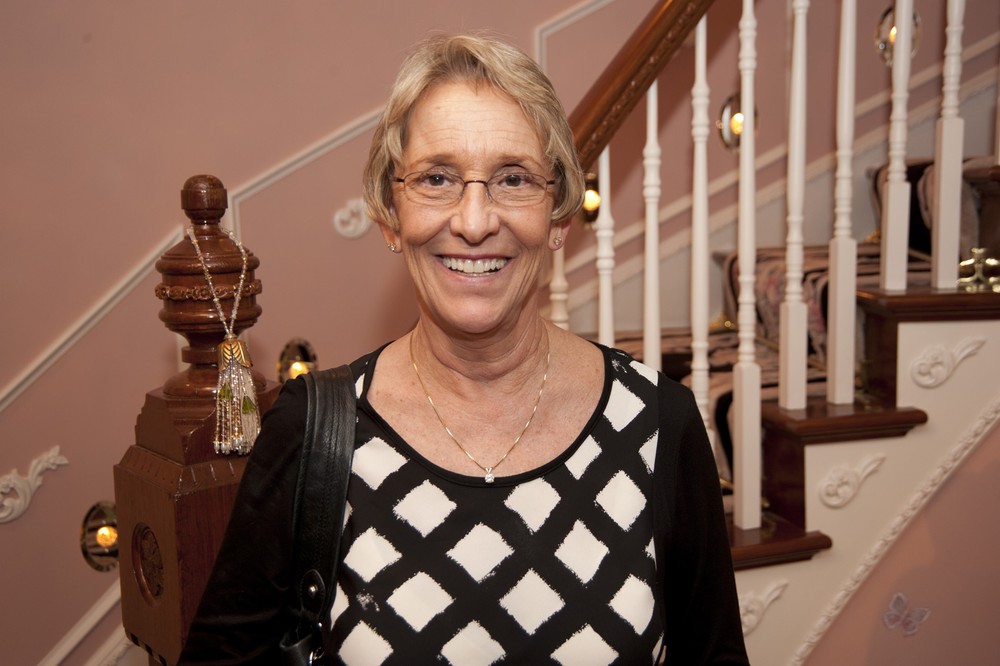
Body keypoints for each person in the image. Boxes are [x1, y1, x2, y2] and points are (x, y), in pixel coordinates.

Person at [180, 33, 749, 665]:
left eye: (513, 178)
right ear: (390, 213)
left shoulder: (658, 424)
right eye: (437, 178)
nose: (475, 222)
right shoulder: (313, 432)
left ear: (558, 216)